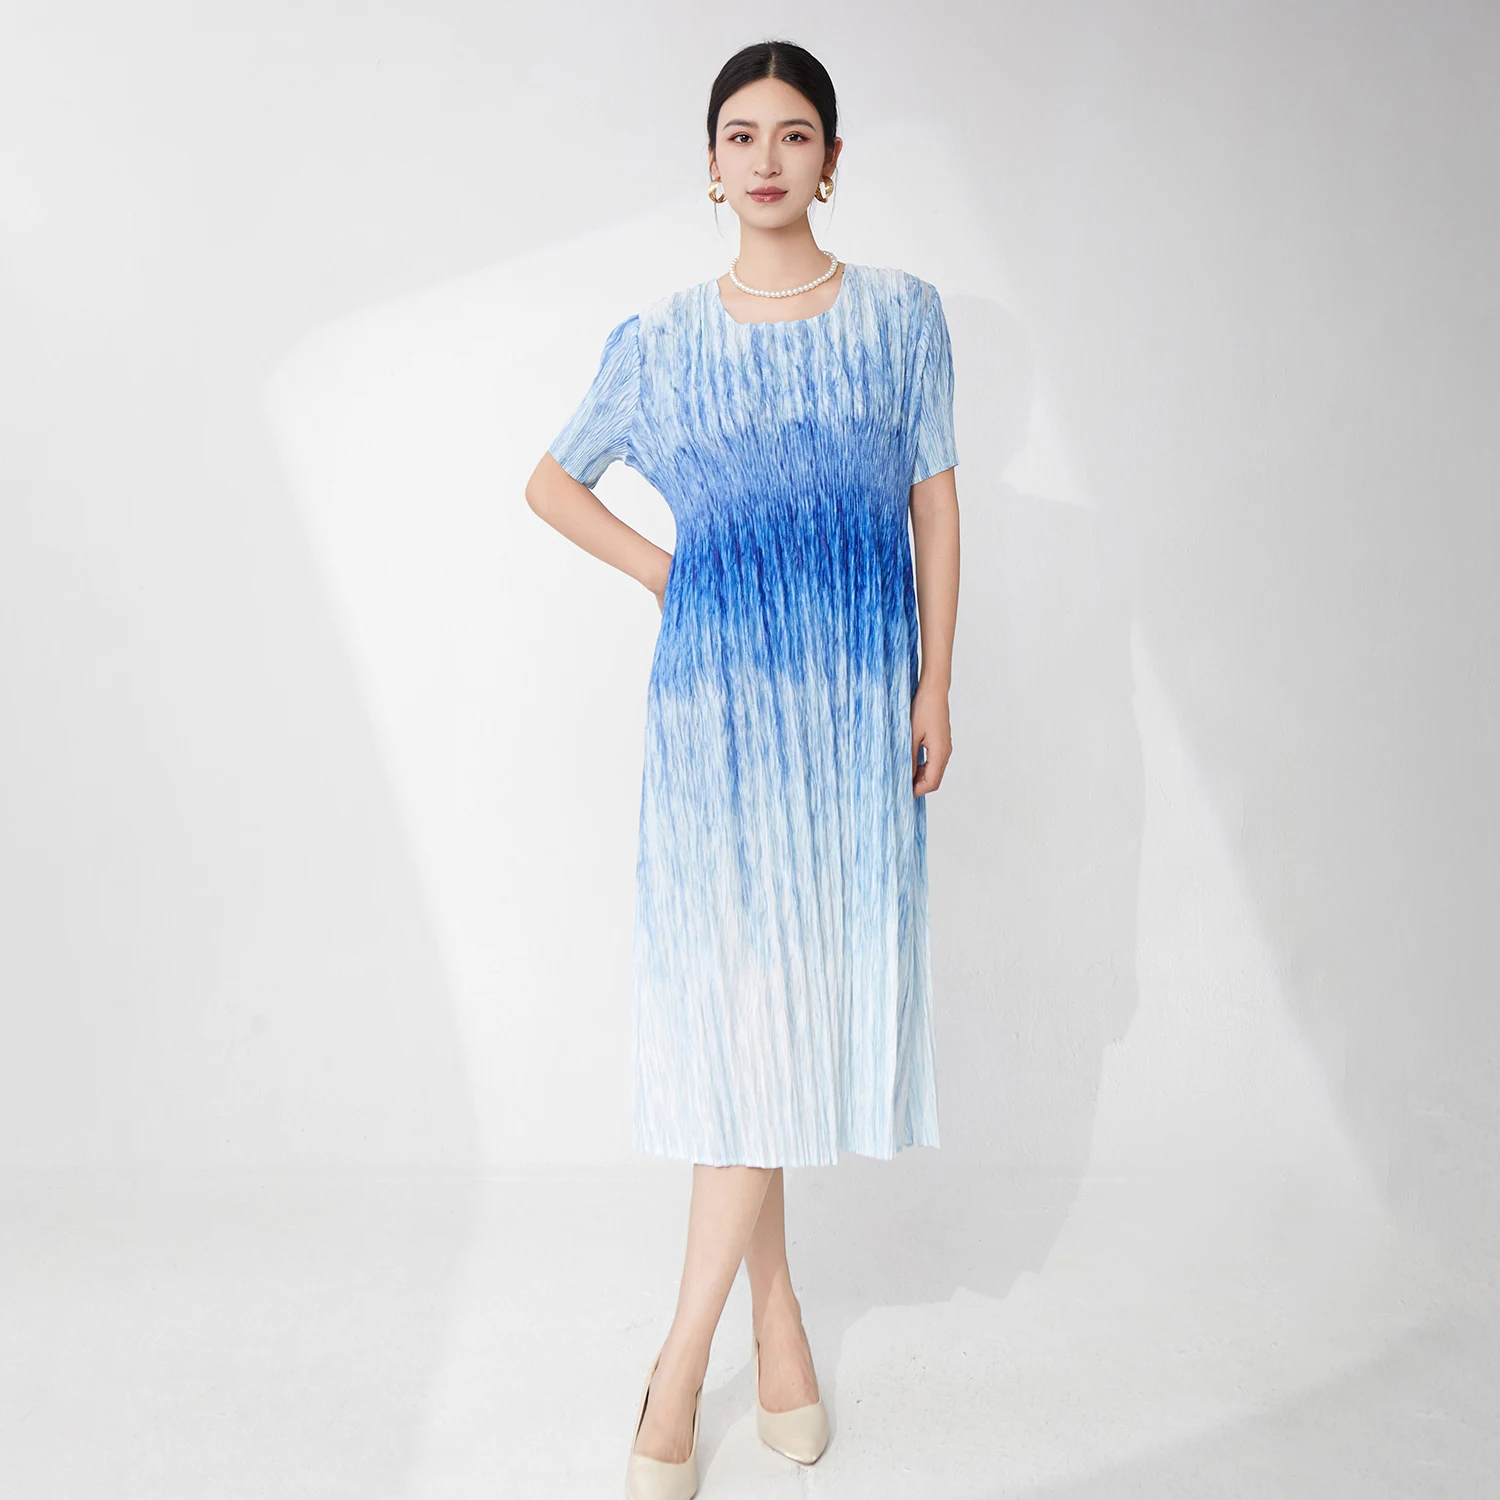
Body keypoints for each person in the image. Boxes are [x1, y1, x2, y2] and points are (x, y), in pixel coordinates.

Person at [525, 37, 960, 1499]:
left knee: (779, 1017)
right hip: (717, 718)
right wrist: (671, 574)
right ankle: (700, 1349)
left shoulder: (903, 317)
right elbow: (552, 480)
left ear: (831, 159)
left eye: (793, 133)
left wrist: (936, 680)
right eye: (739, 134)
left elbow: (935, 505)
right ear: (709, 167)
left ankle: (760, 1333)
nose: (765, 157)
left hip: (850, 716)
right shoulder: (660, 341)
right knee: (746, 1021)